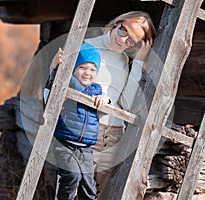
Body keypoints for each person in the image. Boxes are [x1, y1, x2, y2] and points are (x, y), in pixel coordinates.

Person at [83, 11, 157, 199]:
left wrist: (139, 62)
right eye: (123, 31)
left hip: (115, 134)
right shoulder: (87, 48)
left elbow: (126, 102)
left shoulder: (124, 60)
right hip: (88, 128)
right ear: (118, 23)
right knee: (77, 190)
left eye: (131, 41)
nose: (123, 41)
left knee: (100, 194)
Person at [49, 42, 109, 200]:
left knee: (89, 185)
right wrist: (55, 66)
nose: (87, 73)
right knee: (72, 176)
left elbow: (106, 100)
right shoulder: (70, 82)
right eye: (82, 67)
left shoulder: (97, 89)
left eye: (92, 69)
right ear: (74, 68)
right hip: (65, 144)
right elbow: (55, 79)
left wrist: (105, 99)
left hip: (87, 149)